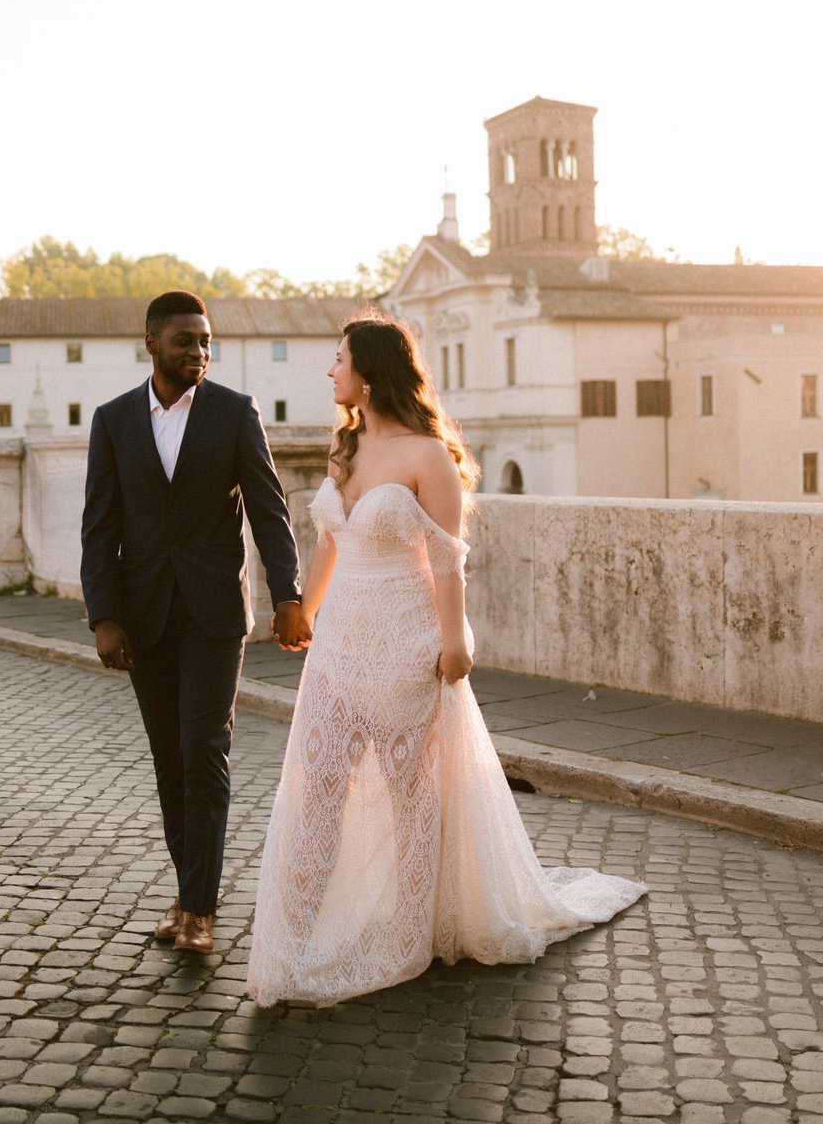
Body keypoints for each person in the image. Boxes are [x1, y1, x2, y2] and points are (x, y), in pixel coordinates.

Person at [247, 312, 645, 1006]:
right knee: (318, 790)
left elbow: (446, 559)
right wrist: (304, 609)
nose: (330, 370)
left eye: (339, 359)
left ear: (370, 374)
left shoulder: (428, 455)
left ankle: (413, 929)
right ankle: (296, 936)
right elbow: (330, 543)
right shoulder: (344, 449)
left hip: (405, 641)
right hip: (338, 644)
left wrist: (455, 640)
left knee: (412, 794)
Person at [81, 290, 312, 954]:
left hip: (215, 614)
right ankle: (187, 895)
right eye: (185, 340)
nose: (199, 352)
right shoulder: (113, 421)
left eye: (206, 341)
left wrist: (288, 595)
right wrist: (104, 617)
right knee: (169, 758)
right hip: (144, 615)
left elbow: (270, 509)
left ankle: (201, 911)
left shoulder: (234, 413)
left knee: (204, 750)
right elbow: (99, 527)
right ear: (151, 343)